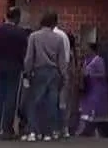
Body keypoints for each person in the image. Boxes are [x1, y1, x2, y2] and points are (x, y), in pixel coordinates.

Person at [22, 12, 68, 142]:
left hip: (38, 71)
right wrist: (64, 75)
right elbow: (62, 60)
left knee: (35, 102)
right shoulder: (58, 38)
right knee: (52, 102)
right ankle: (51, 131)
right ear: (54, 23)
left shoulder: (34, 37)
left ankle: (34, 131)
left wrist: (27, 72)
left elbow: (30, 57)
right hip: (54, 72)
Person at [0, 7, 27, 140]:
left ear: (6, 16)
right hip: (14, 68)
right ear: (17, 17)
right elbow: (24, 53)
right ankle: (6, 130)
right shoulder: (21, 33)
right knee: (10, 98)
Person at [77, 42, 108, 136]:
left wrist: (91, 75)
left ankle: (95, 130)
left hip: (97, 88)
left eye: (87, 49)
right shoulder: (86, 60)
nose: (85, 51)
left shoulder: (98, 60)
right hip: (88, 87)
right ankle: (85, 130)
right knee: (85, 108)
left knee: (95, 109)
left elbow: (103, 74)